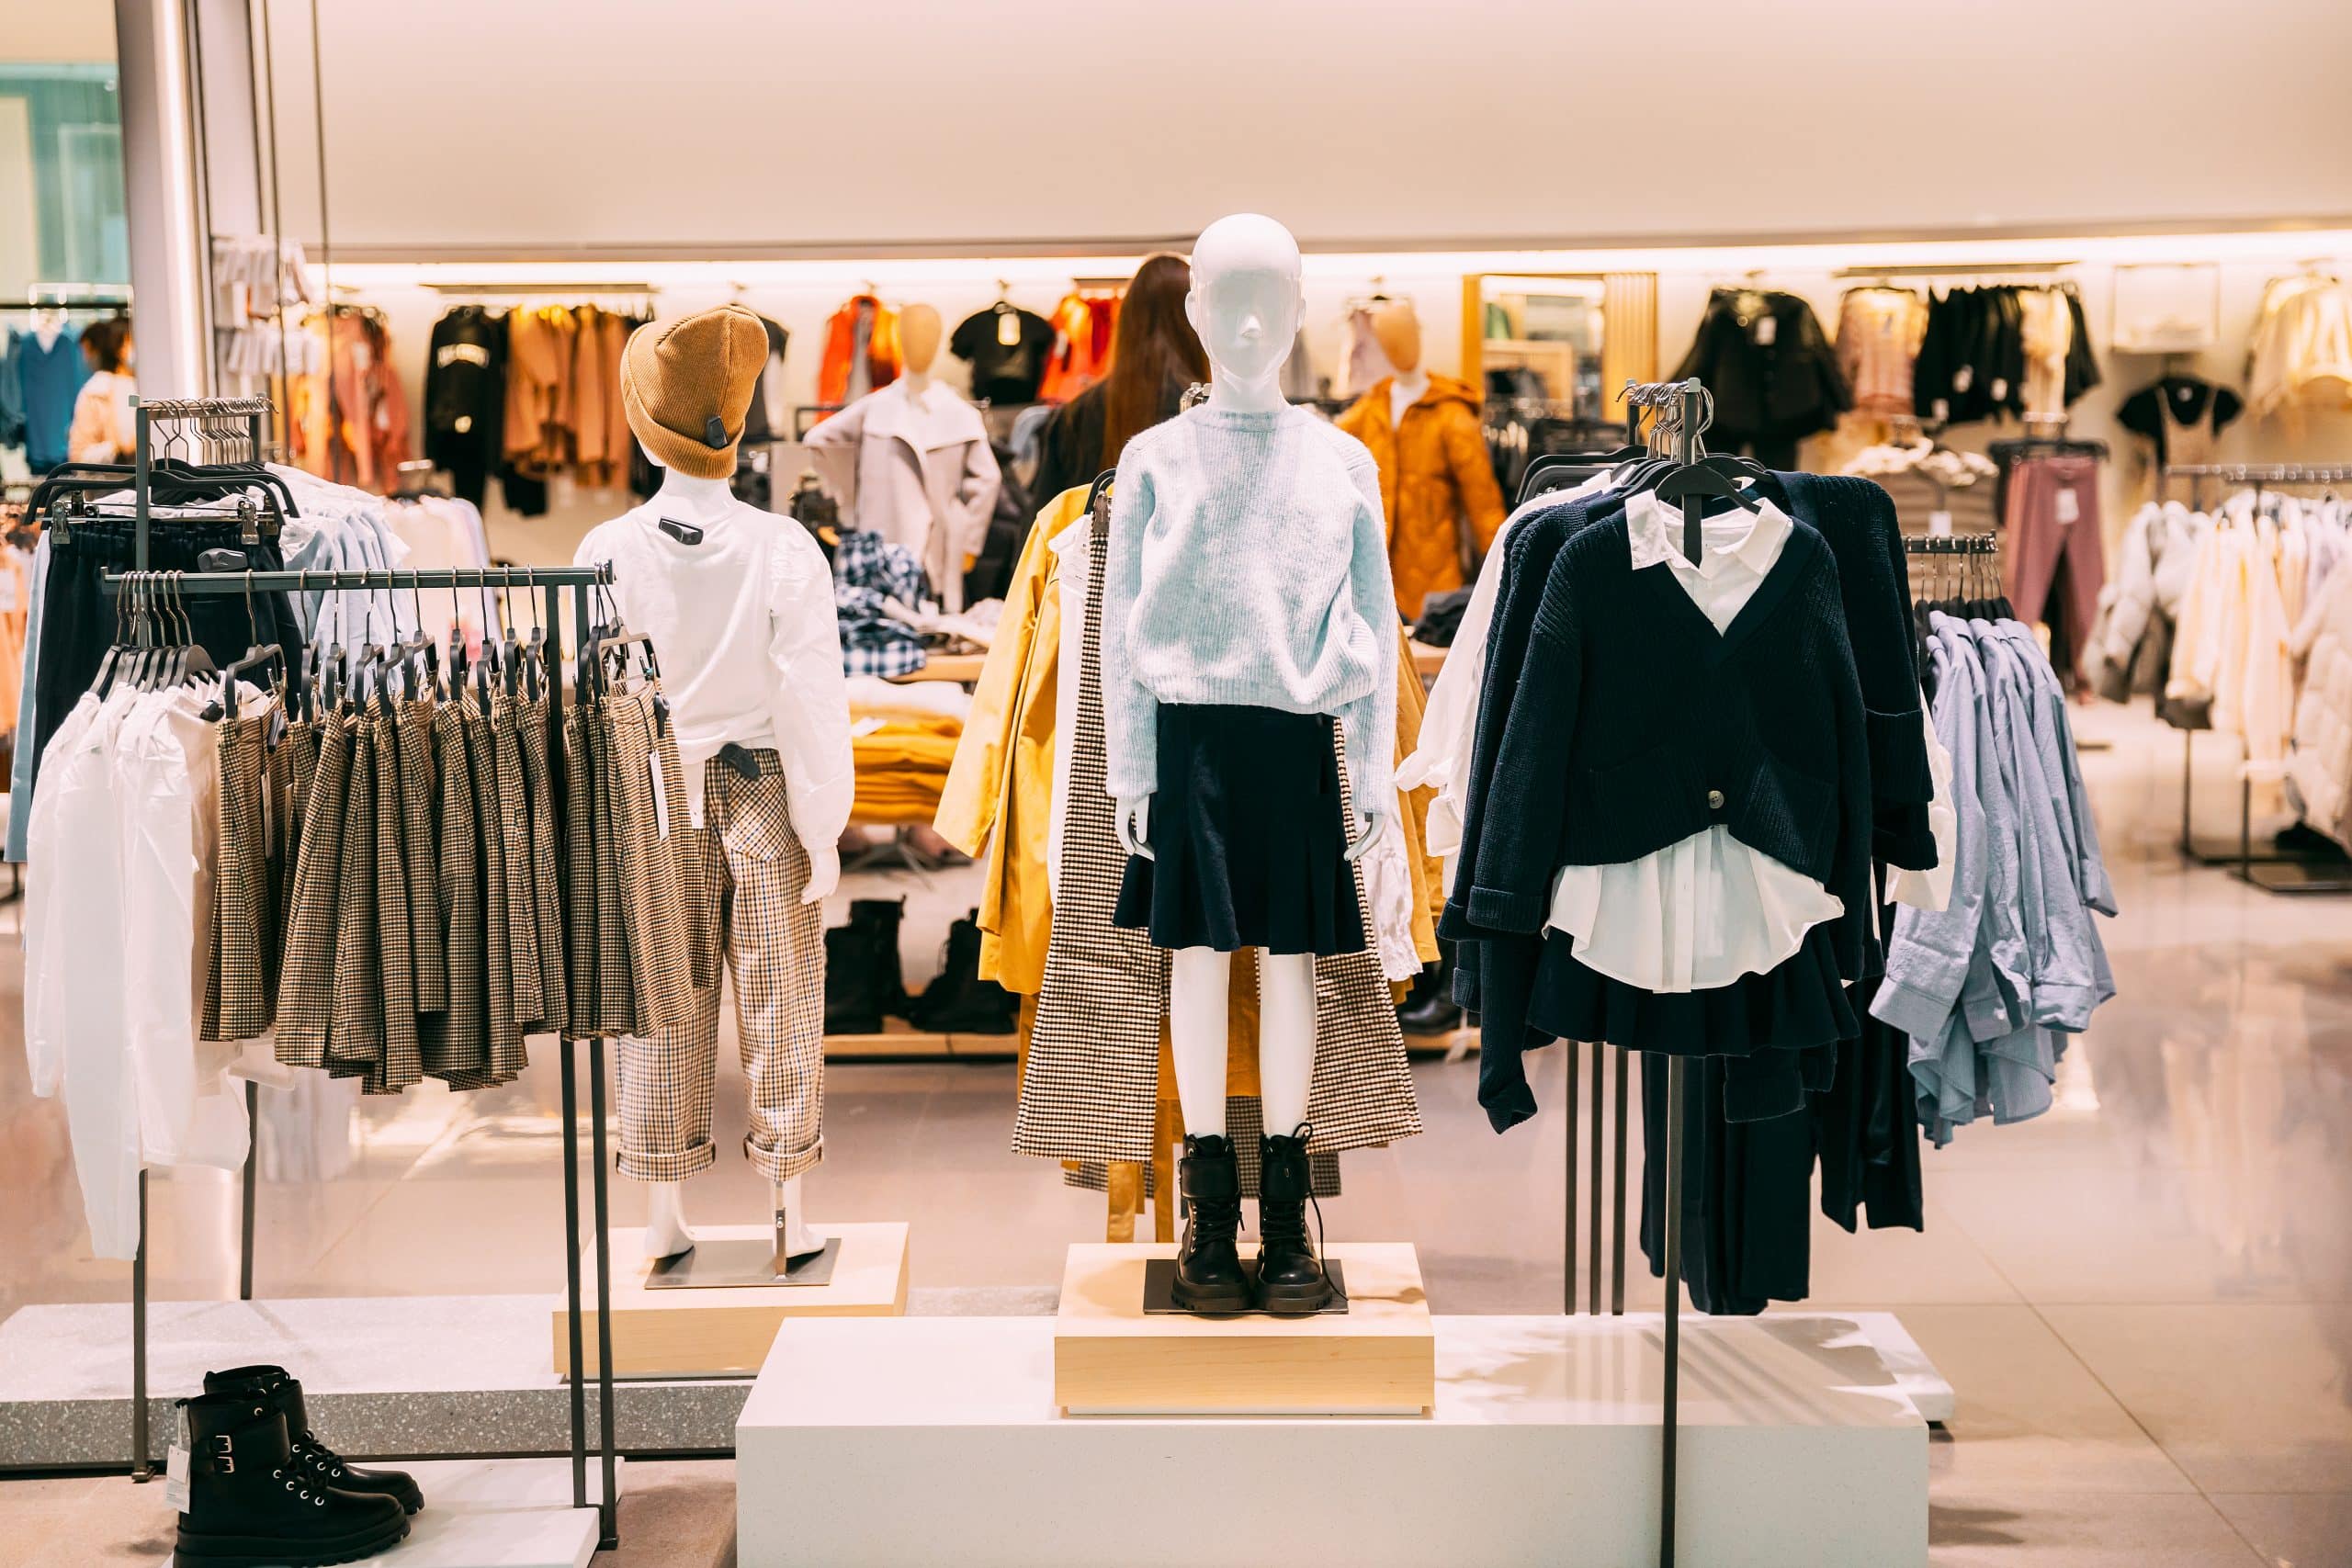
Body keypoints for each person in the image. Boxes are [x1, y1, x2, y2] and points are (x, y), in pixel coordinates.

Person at [1030, 254, 1207, 506]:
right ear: (1198, 324)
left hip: (1097, 544)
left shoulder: (1077, 414)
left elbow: (1044, 518)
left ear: (1126, 321)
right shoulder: (1207, 410)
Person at [68, 316, 136, 463]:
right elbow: (78, 456)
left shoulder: (153, 386)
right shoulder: (96, 391)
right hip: (113, 482)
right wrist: (119, 449)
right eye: (130, 342)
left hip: (152, 483)